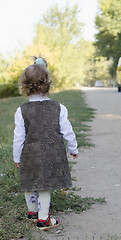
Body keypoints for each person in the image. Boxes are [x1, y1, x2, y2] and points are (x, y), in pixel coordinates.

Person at [13, 62, 78, 230]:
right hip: (52, 154)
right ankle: (43, 219)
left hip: (30, 155)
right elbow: (67, 131)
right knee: (44, 187)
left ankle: (32, 213)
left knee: (30, 183)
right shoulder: (59, 107)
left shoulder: (21, 110)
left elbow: (18, 137)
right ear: (48, 83)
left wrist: (16, 156)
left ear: (25, 86)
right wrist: (73, 148)